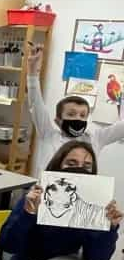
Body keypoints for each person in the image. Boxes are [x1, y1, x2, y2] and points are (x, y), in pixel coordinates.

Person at [0, 141, 122, 260]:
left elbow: (98, 259)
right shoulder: (36, 197)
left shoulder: (89, 207)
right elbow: (8, 245)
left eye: (87, 167)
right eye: (71, 163)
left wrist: (109, 228)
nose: (79, 170)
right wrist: (27, 214)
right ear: (57, 166)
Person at [27, 43, 124, 174]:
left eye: (83, 115)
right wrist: (32, 71)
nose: (78, 118)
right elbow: (35, 104)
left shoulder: (94, 139)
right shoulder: (48, 135)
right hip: (48, 191)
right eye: (71, 114)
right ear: (58, 120)